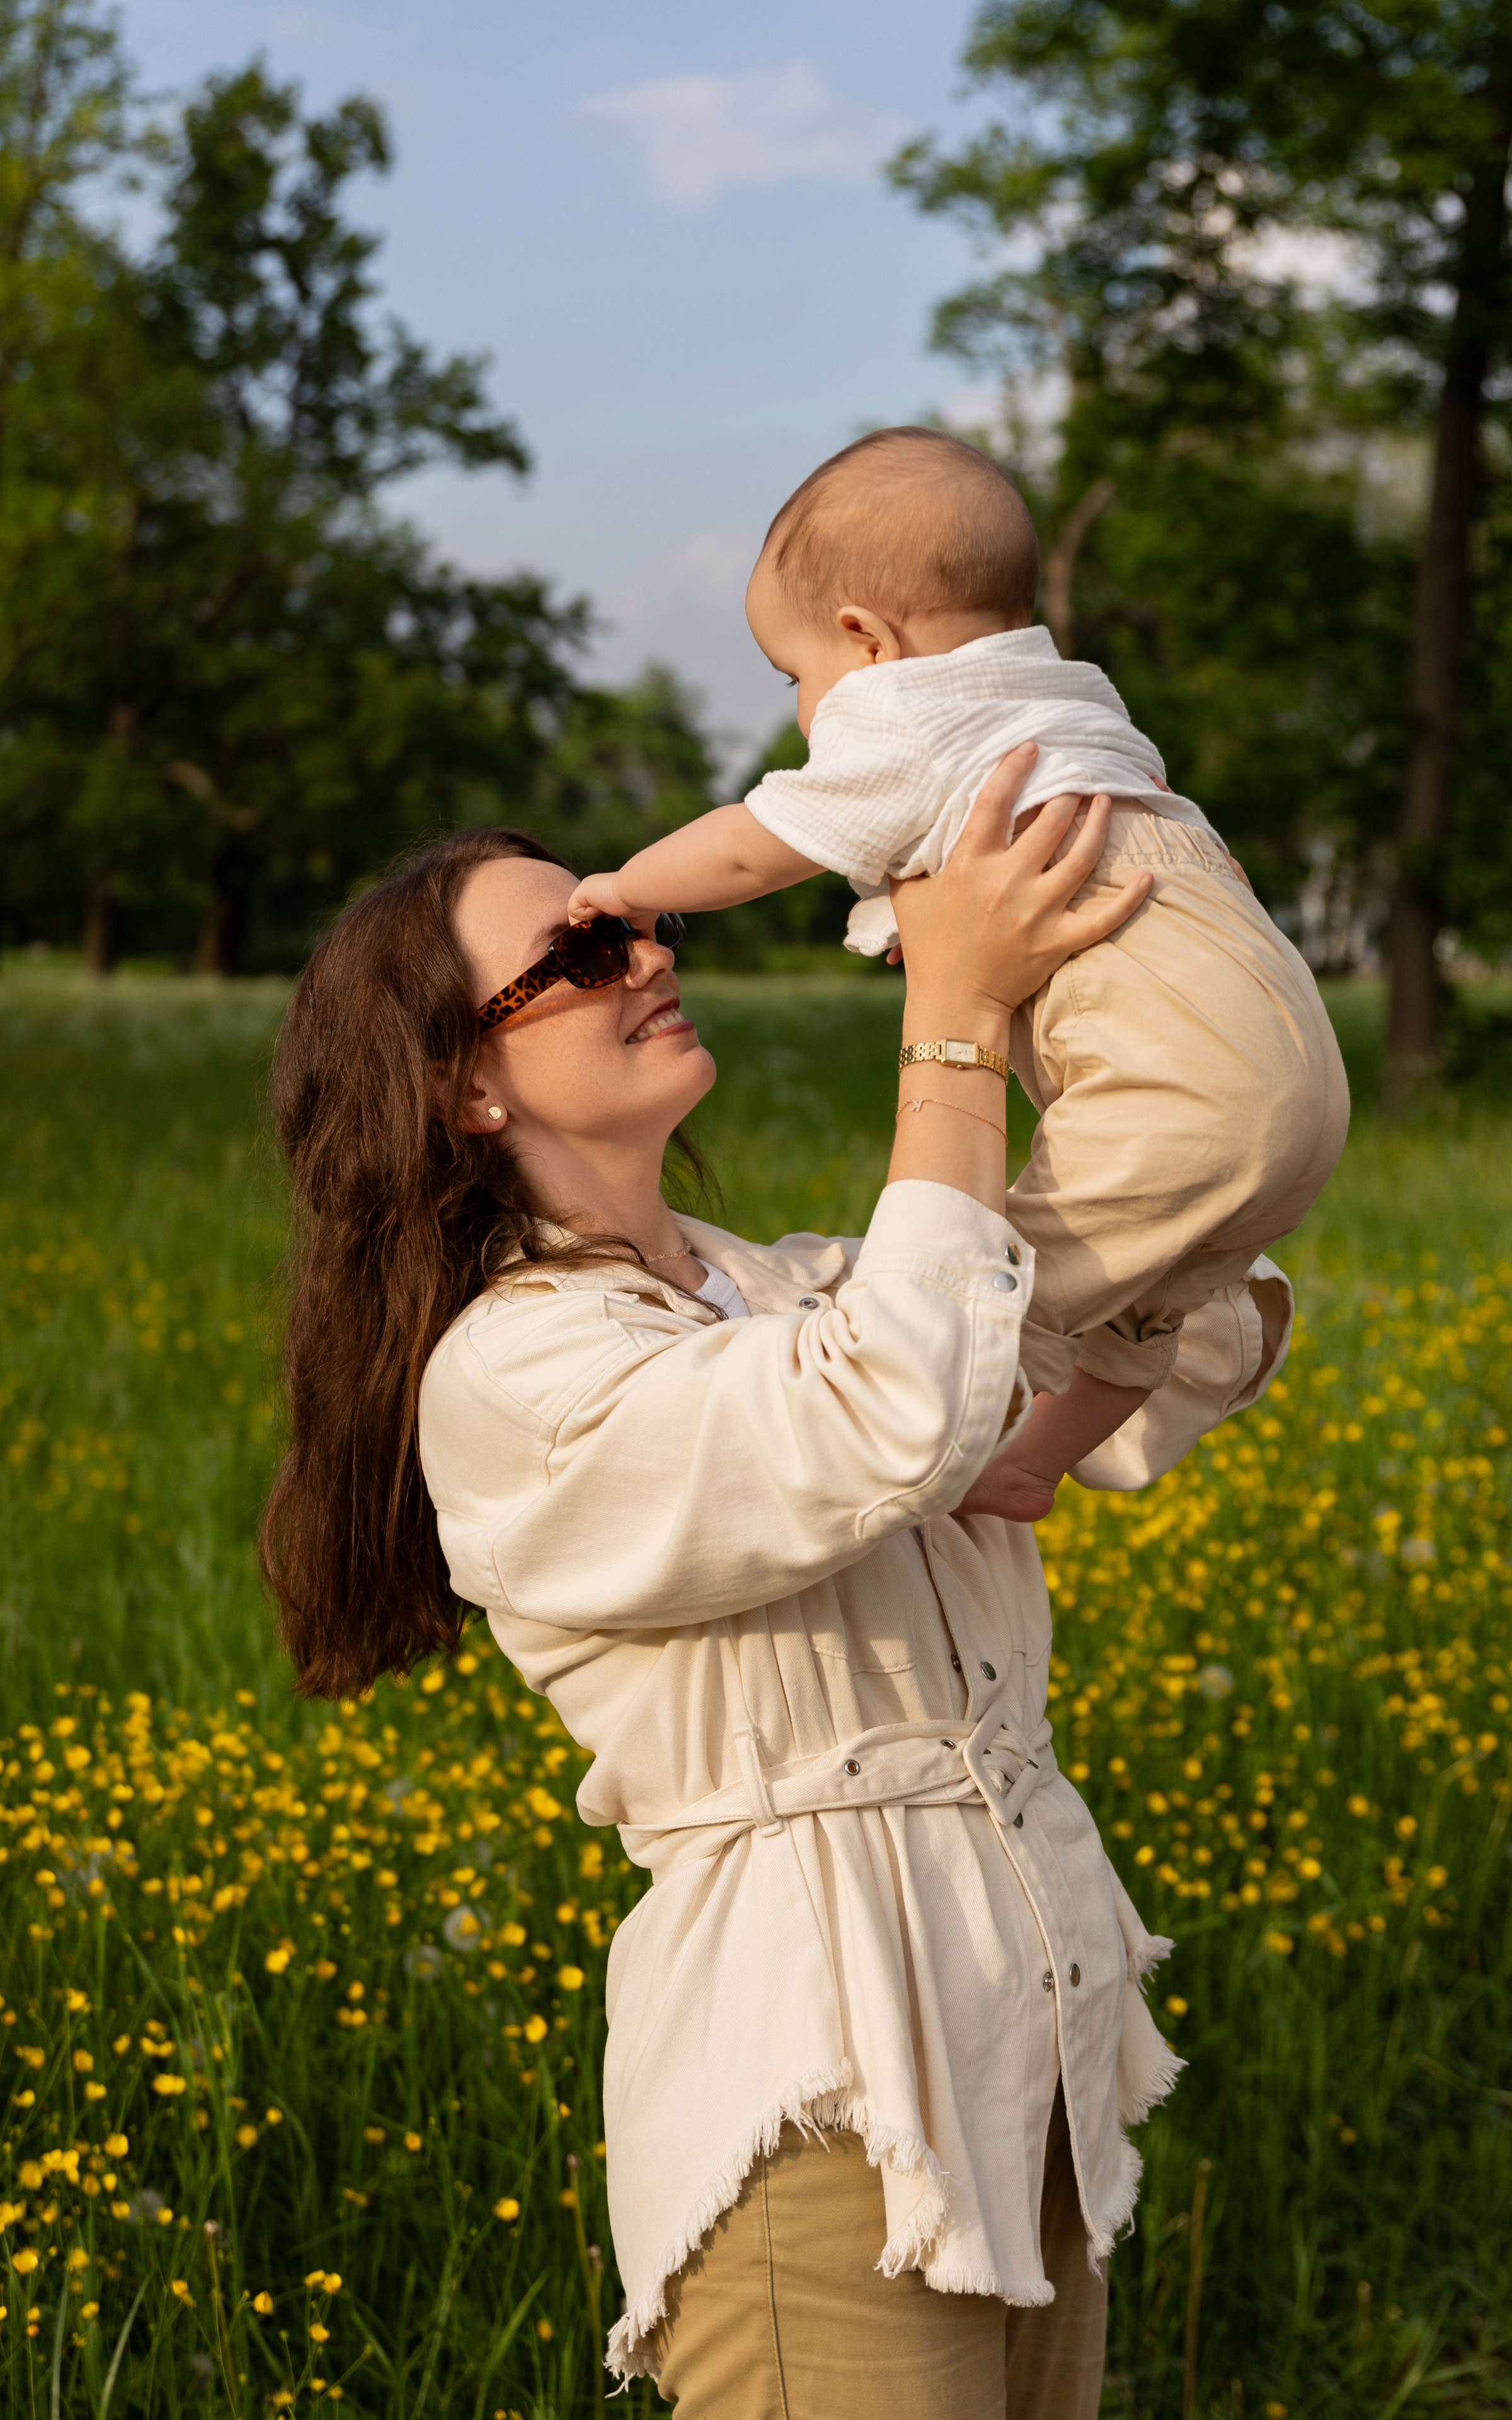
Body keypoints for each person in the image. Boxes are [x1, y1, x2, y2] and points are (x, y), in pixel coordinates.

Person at [261, 754, 1294, 2419]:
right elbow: (889, 1405)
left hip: (1021, 2058)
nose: (652, 956)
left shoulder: (773, 1288)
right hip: (821, 2102)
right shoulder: (516, 1375)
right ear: (466, 1089)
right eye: (585, 953)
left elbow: (1180, 1331)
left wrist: (1140, 1043)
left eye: (647, 925)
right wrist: (948, 1019)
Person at [564, 425, 1344, 1524]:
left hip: (1180, 1089)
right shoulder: (1075, 698)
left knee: (992, 1289)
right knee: (1134, 1306)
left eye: (796, 677)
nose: (801, 712)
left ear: (865, 639)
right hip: (1294, 1054)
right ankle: (1032, 1463)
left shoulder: (907, 714)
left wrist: (631, 886)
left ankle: (910, 1417)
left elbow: (755, 842)